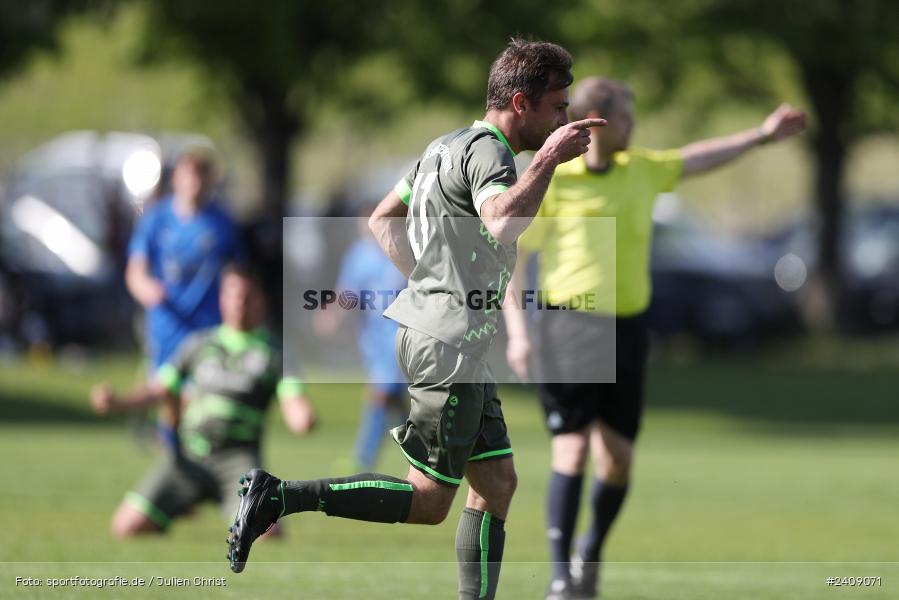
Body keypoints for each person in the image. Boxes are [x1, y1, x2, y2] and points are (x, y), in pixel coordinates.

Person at [226, 38, 605, 600]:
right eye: (557, 108)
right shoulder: (491, 152)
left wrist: (429, 277)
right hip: (447, 345)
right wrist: (548, 157)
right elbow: (502, 221)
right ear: (521, 104)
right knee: (428, 501)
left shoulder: (444, 146)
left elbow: (384, 218)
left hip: (455, 342)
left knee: (497, 482)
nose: (564, 118)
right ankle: (280, 496)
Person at [502, 77, 806, 599]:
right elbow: (513, 256)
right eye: (627, 117)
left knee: (617, 458)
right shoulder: (557, 181)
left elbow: (698, 158)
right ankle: (559, 578)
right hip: (568, 324)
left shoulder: (640, 170)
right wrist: (517, 334)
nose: (634, 126)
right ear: (598, 122)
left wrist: (761, 135)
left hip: (628, 326)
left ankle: (589, 552)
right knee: (572, 450)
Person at [91, 264, 315, 537]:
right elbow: (160, 389)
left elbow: (294, 400)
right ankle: (181, 503)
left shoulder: (274, 354)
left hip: (238, 460)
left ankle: (228, 506)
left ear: (261, 300)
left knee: (267, 536)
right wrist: (118, 403)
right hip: (189, 457)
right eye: (232, 295)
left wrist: (302, 417)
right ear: (222, 299)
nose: (239, 303)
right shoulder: (198, 344)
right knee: (126, 527)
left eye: (247, 296)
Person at [126, 149, 245, 450]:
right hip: (166, 325)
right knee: (169, 396)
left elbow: (236, 271)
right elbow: (135, 271)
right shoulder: (156, 219)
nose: (195, 183)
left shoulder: (221, 222)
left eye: (202, 176)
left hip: (206, 327)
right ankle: (174, 453)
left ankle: (183, 454)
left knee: (196, 396)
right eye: (190, 175)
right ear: (177, 177)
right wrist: (146, 290)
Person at [314, 214, 408, 471]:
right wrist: (332, 315)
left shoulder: (403, 250)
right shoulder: (358, 256)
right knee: (396, 402)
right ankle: (431, 447)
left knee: (380, 395)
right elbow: (348, 292)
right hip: (373, 342)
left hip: (401, 339)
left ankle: (362, 459)